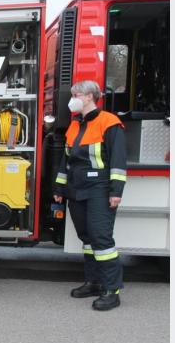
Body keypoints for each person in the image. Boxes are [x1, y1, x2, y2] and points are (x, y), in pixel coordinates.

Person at [53, 80, 127, 311]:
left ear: (89, 97)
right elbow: (66, 161)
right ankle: (94, 282)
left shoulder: (109, 122)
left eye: (76, 95)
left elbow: (118, 160)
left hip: (99, 189)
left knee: (101, 239)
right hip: (76, 189)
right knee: (87, 238)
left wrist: (116, 191)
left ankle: (112, 290)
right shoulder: (75, 125)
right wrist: (59, 188)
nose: (72, 98)